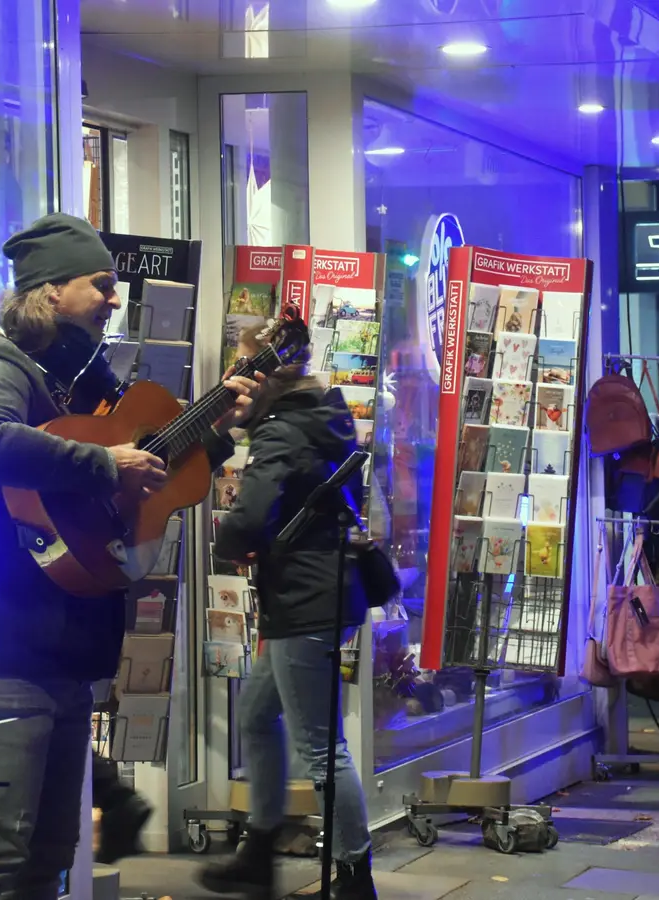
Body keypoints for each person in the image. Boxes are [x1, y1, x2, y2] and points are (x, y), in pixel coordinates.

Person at [0, 213, 258, 900]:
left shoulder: (81, 384)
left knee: (49, 850)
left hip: (63, 645)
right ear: (49, 293)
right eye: (101, 284)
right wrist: (104, 462)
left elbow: (139, 482)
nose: (115, 299)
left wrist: (216, 430)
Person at [199, 345, 379, 900]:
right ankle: (259, 847)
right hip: (316, 593)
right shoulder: (319, 416)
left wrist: (233, 543)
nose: (234, 388)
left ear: (268, 381)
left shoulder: (280, 430)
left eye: (243, 378)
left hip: (304, 600)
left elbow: (250, 514)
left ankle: (353, 875)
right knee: (255, 717)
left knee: (322, 749)